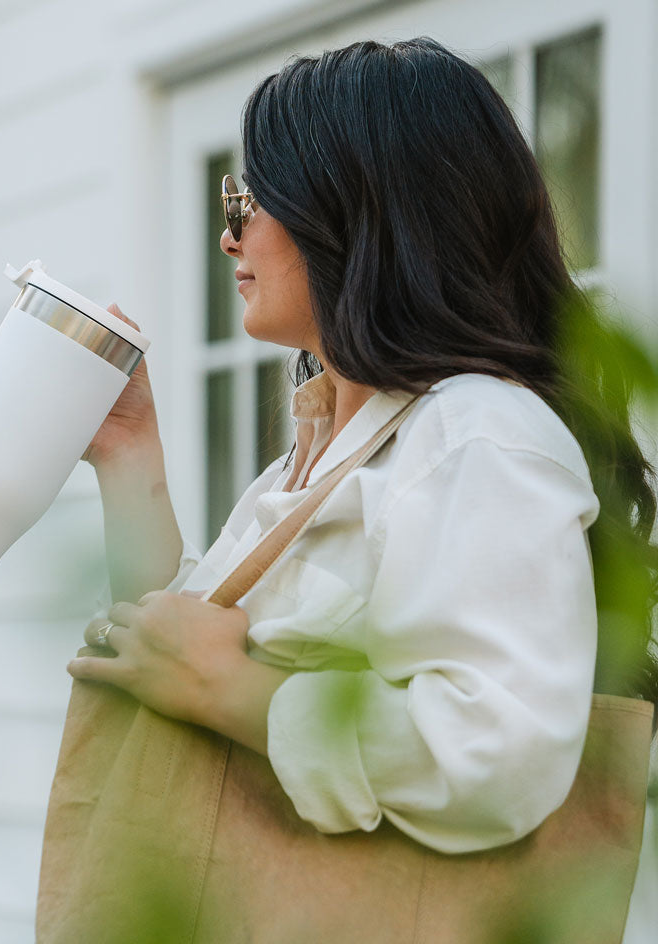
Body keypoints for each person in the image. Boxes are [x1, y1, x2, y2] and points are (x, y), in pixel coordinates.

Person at [68, 38, 657, 861]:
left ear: (355, 211)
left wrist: (236, 690)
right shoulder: (327, 451)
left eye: (247, 201)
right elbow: (170, 651)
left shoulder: (475, 432)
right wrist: (130, 455)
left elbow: (499, 750)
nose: (230, 239)